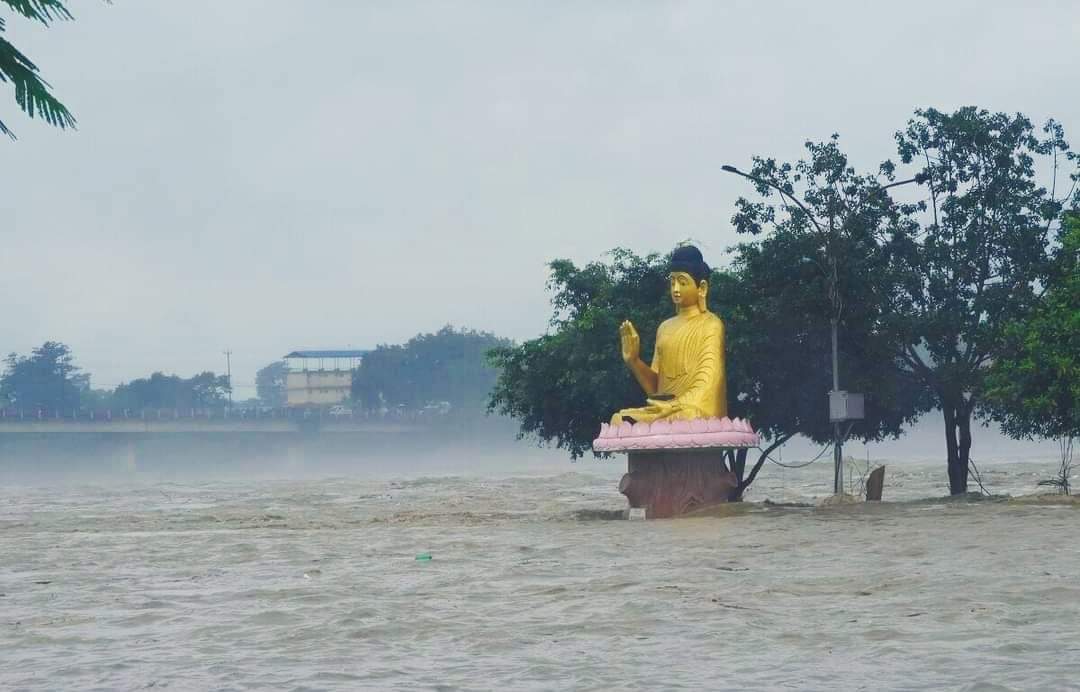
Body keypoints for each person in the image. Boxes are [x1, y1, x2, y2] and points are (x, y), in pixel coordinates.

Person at [611, 244, 727, 424]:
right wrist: (634, 361)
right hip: (667, 411)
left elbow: (708, 384)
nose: (675, 289)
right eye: (672, 282)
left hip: (694, 410)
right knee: (619, 419)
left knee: (689, 416)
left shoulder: (711, 325)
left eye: (682, 282)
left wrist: (674, 406)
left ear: (702, 288)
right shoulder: (664, 328)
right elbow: (657, 391)